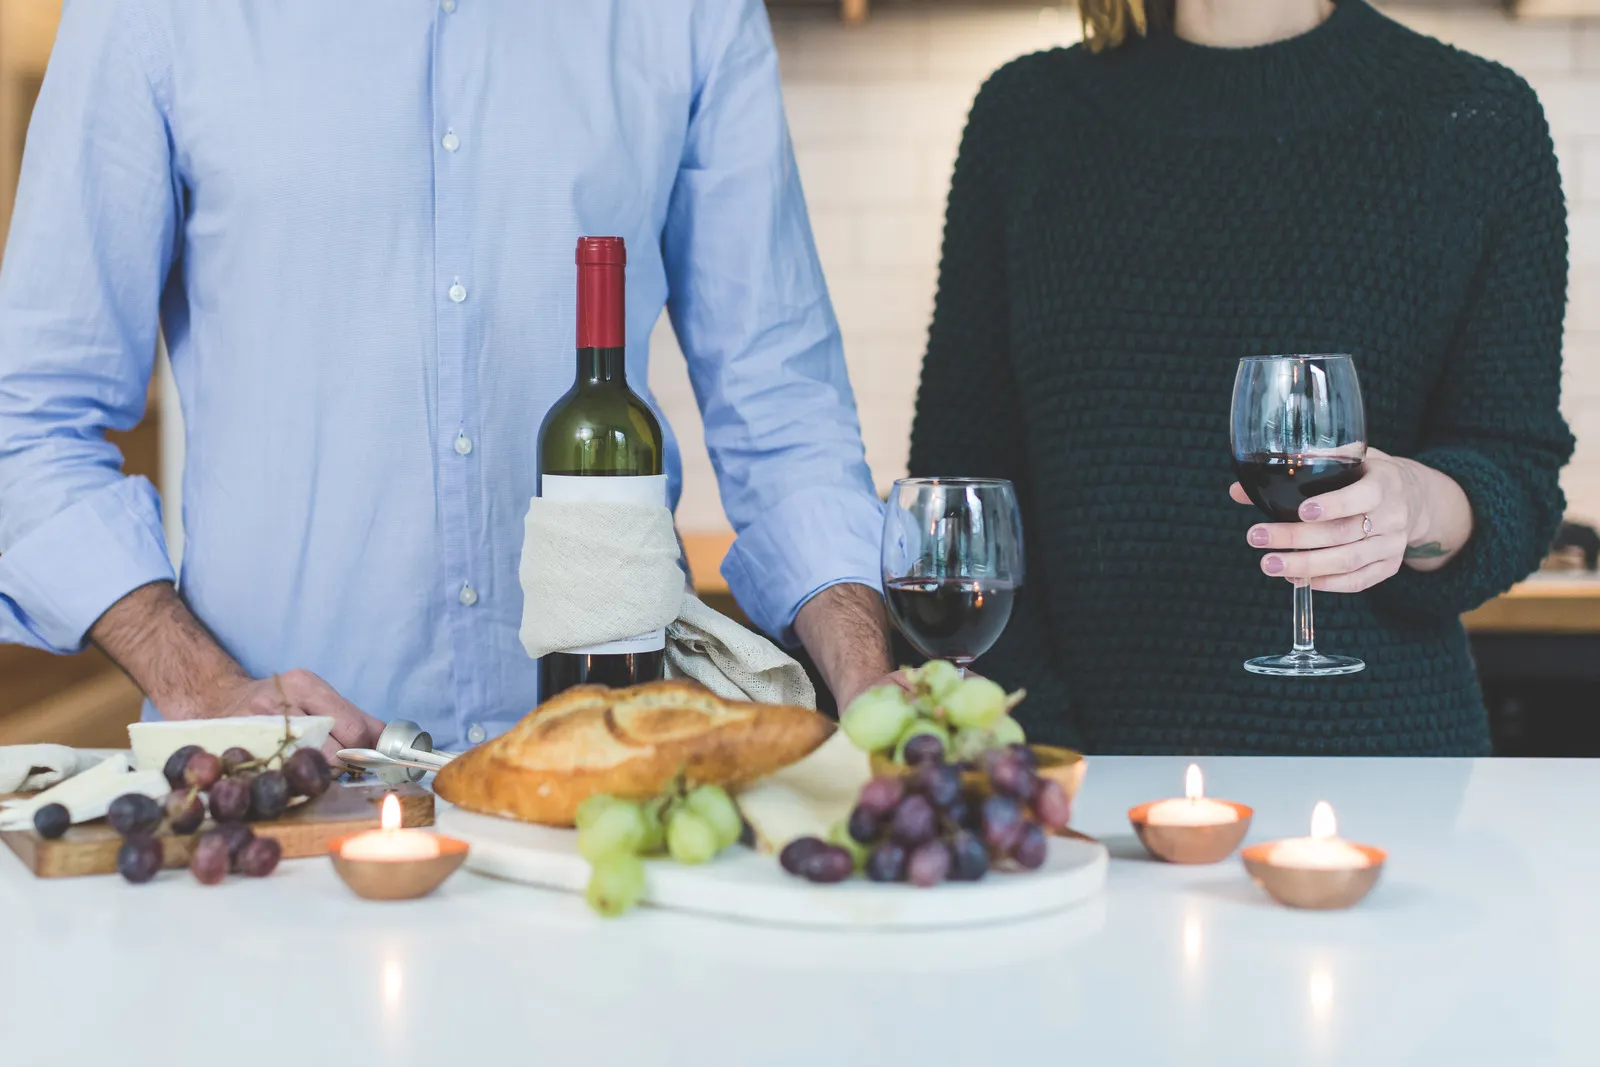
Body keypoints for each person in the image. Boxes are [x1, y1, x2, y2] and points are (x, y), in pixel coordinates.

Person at [0, 0, 895, 754]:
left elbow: (783, 409)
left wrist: (865, 679)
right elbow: (28, 421)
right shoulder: (156, 14)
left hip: (605, 777)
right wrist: (198, 682)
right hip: (282, 788)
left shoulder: (687, 14)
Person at [909, 0, 1573, 755]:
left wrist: (1416, 506)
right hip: (1075, 774)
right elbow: (958, 493)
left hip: (1383, 775)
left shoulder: (1479, 119)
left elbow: (1515, 471)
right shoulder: (1023, 118)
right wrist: (1042, 750)